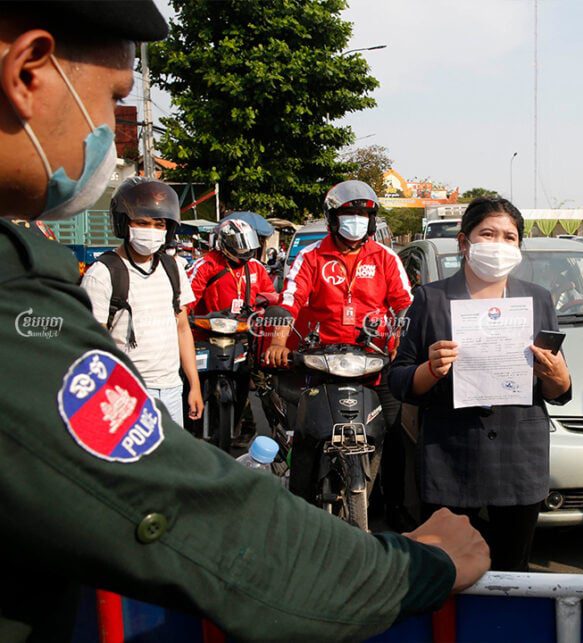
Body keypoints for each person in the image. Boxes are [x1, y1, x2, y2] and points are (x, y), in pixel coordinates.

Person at [0, 3, 488, 640]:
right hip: (304, 364)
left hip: (366, 366)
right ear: (30, 73)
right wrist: (409, 568)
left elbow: (403, 303)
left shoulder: (386, 259)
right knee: (296, 440)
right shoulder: (31, 292)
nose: (112, 131)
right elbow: (179, 514)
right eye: (117, 99)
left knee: (392, 441)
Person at [388, 197, 573, 572]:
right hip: (451, 461)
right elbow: (399, 379)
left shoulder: (537, 299)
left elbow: (560, 390)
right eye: (488, 234)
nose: (499, 245)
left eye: (509, 237)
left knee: (513, 574)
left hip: (519, 460)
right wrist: (430, 369)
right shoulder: (431, 299)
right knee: (449, 573)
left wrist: (557, 376)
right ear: (464, 242)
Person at [264, 180, 413, 513]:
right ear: (333, 217)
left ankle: (393, 509)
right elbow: (290, 300)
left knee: (392, 432)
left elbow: (404, 303)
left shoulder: (386, 258)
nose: (357, 219)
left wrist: (400, 338)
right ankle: (300, 508)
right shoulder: (311, 257)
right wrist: (276, 340)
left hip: (375, 361)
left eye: (363, 213)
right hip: (321, 362)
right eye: (349, 212)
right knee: (305, 434)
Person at [81, 177, 204, 426]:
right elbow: (91, 344)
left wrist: (194, 385)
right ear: (124, 224)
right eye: (142, 222)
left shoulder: (174, 268)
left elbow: (182, 329)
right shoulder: (102, 274)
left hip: (171, 388)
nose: (151, 231)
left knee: (171, 463)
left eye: (159, 224)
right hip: (125, 392)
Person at [187, 218, 277, 441]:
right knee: (187, 377)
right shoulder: (207, 265)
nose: (244, 250)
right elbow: (186, 298)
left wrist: (265, 308)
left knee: (250, 377)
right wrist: (186, 316)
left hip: (242, 334)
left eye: (247, 244)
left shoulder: (255, 267)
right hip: (204, 335)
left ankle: (247, 425)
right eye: (239, 244)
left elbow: (270, 295)